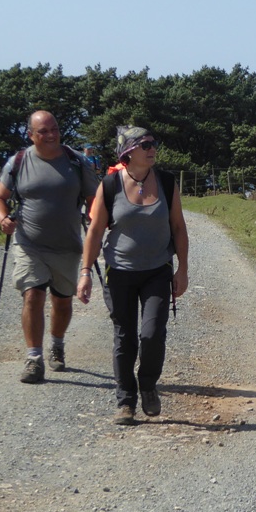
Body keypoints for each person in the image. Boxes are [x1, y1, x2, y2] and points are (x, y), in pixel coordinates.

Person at [77, 126, 189, 425]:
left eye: (154, 143)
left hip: (157, 271)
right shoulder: (110, 184)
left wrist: (183, 268)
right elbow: (95, 231)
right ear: (128, 151)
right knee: (125, 338)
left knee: (152, 334)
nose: (153, 149)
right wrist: (85, 271)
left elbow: (179, 227)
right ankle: (126, 401)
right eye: (145, 145)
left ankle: (148, 385)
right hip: (119, 272)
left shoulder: (166, 182)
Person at [0, 111, 100, 383]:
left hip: (67, 245)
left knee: (62, 302)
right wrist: (2, 219)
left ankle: (57, 344)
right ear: (31, 135)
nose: (51, 135)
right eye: (43, 131)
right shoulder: (18, 162)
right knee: (32, 295)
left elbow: (94, 197)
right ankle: (34, 359)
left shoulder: (76, 161)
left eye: (55, 129)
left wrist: (94, 218)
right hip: (29, 244)